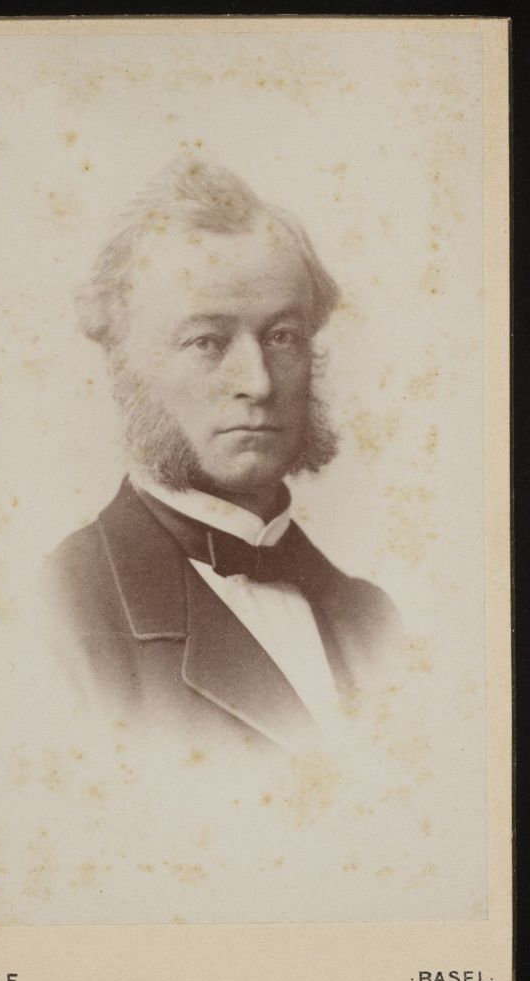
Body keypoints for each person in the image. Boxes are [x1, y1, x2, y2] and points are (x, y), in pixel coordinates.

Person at [45, 158, 401, 756]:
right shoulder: (61, 615)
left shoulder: (374, 619)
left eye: (282, 336)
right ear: (123, 362)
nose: (258, 383)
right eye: (206, 341)